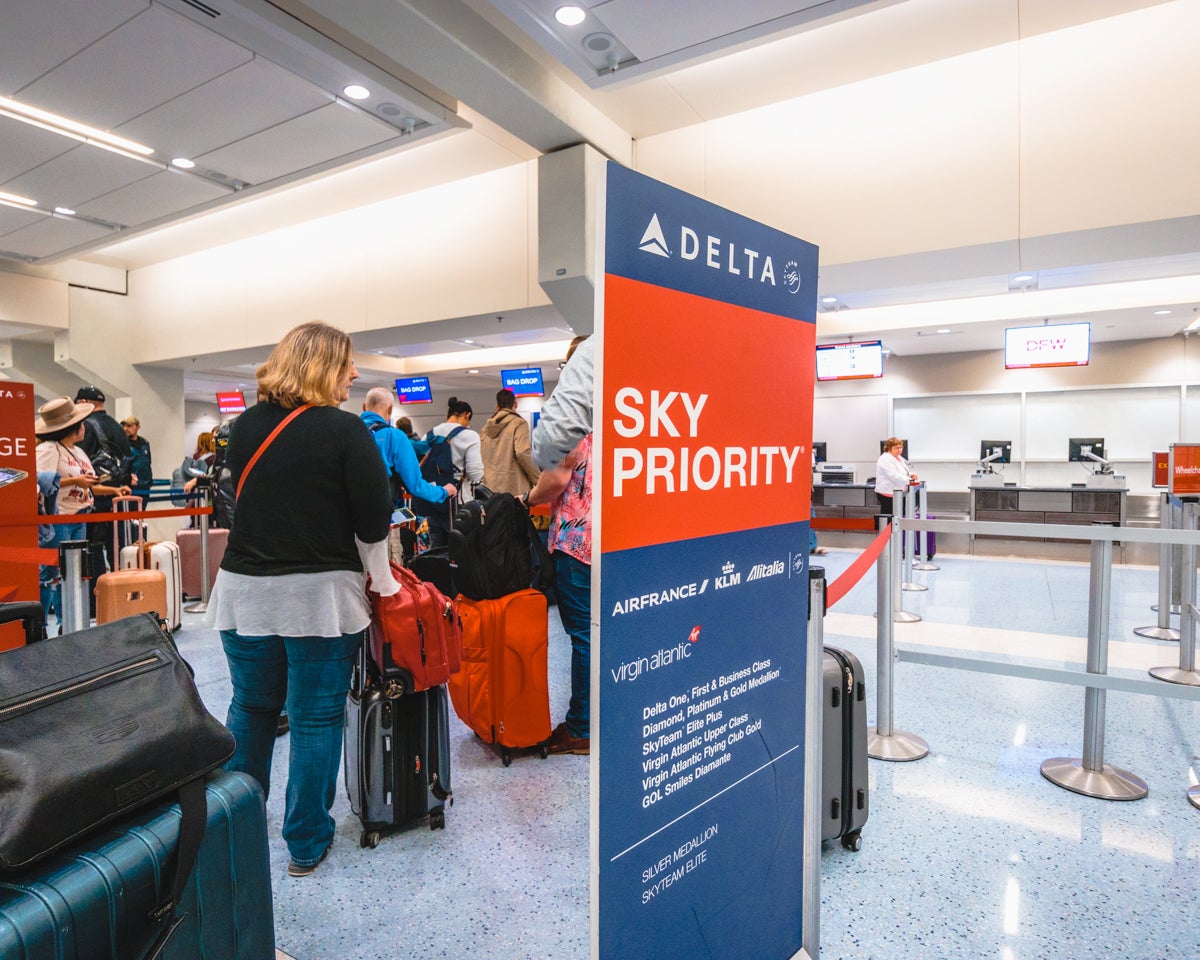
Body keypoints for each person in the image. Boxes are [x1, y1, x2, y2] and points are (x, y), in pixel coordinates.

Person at [204, 321, 398, 878]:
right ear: (323, 367)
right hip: (319, 599)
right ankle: (306, 843)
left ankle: (234, 833)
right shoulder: (345, 431)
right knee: (314, 720)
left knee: (252, 709)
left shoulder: (243, 427)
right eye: (348, 364)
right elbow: (371, 522)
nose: (356, 374)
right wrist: (382, 584)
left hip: (243, 594)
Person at [529, 335, 594, 756]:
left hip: (578, 541)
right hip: (617, 542)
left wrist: (527, 500)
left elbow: (555, 480)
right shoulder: (629, 410)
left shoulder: (575, 418)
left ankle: (581, 727)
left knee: (584, 636)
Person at [34, 397, 131, 617]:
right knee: (53, 573)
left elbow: (88, 485)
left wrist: (113, 491)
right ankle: (44, 622)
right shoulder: (48, 450)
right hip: (59, 519)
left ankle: (69, 620)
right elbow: (40, 481)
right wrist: (74, 482)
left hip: (81, 516)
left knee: (74, 573)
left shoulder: (78, 452)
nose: (85, 427)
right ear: (73, 427)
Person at [359, 386, 456, 507]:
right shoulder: (395, 437)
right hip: (380, 511)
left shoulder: (348, 431)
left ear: (364, 407)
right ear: (390, 410)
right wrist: (444, 492)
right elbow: (415, 485)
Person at [75, 386, 134, 566]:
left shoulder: (87, 426)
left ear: (84, 403)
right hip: (121, 497)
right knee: (119, 551)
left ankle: (97, 592)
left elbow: (79, 460)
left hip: (96, 498)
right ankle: (119, 589)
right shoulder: (117, 426)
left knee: (93, 550)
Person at [424, 397, 485, 549]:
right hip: (459, 504)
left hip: (433, 503)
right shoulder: (470, 435)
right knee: (461, 554)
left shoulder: (430, 435)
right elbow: (475, 473)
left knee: (436, 551)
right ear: (467, 415)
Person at [479, 388, 540, 498]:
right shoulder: (519, 423)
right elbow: (523, 452)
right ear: (515, 404)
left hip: (490, 489)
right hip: (514, 489)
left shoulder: (485, 429)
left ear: (497, 407)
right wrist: (538, 479)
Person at [875, 437, 917, 516]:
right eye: (896, 448)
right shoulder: (884, 459)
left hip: (899, 492)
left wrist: (911, 474)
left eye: (900, 447)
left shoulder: (898, 457)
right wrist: (910, 481)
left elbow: (902, 471)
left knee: (899, 516)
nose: (899, 450)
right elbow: (894, 475)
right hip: (887, 493)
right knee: (889, 518)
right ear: (889, 448)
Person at [121, 416, 152, 489]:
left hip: (145, 485)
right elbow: (122, 467)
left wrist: (149, 480)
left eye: (129, 426)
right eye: (124, 426)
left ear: (138, 427)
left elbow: (148, 462)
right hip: (130, 486)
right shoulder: (123, 444)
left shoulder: (145, 443)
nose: (126, 429)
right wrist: (128, 479)